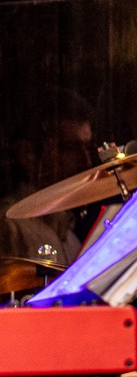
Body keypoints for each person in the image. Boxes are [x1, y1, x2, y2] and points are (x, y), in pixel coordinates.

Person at [0, 87, 98, 265]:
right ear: (27, 154)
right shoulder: (11, 230)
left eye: (87, 147)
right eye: (70, 148)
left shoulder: (70, 238)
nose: (86, 161)